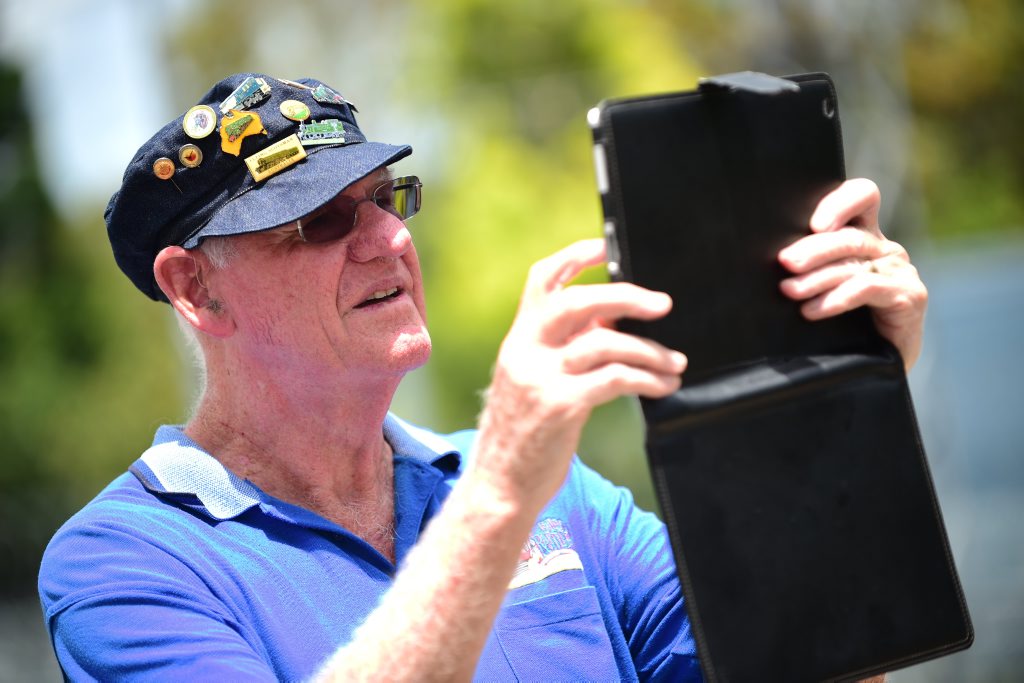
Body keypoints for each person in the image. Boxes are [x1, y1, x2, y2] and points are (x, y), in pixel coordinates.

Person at [38, 72, 925, 681]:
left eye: (389, 198)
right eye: (319, 220)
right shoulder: (124, 562)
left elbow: (813, 661)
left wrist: (842, 404)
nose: (388, 237)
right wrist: (501, 485)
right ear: (193, 287)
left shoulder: (561, 494)